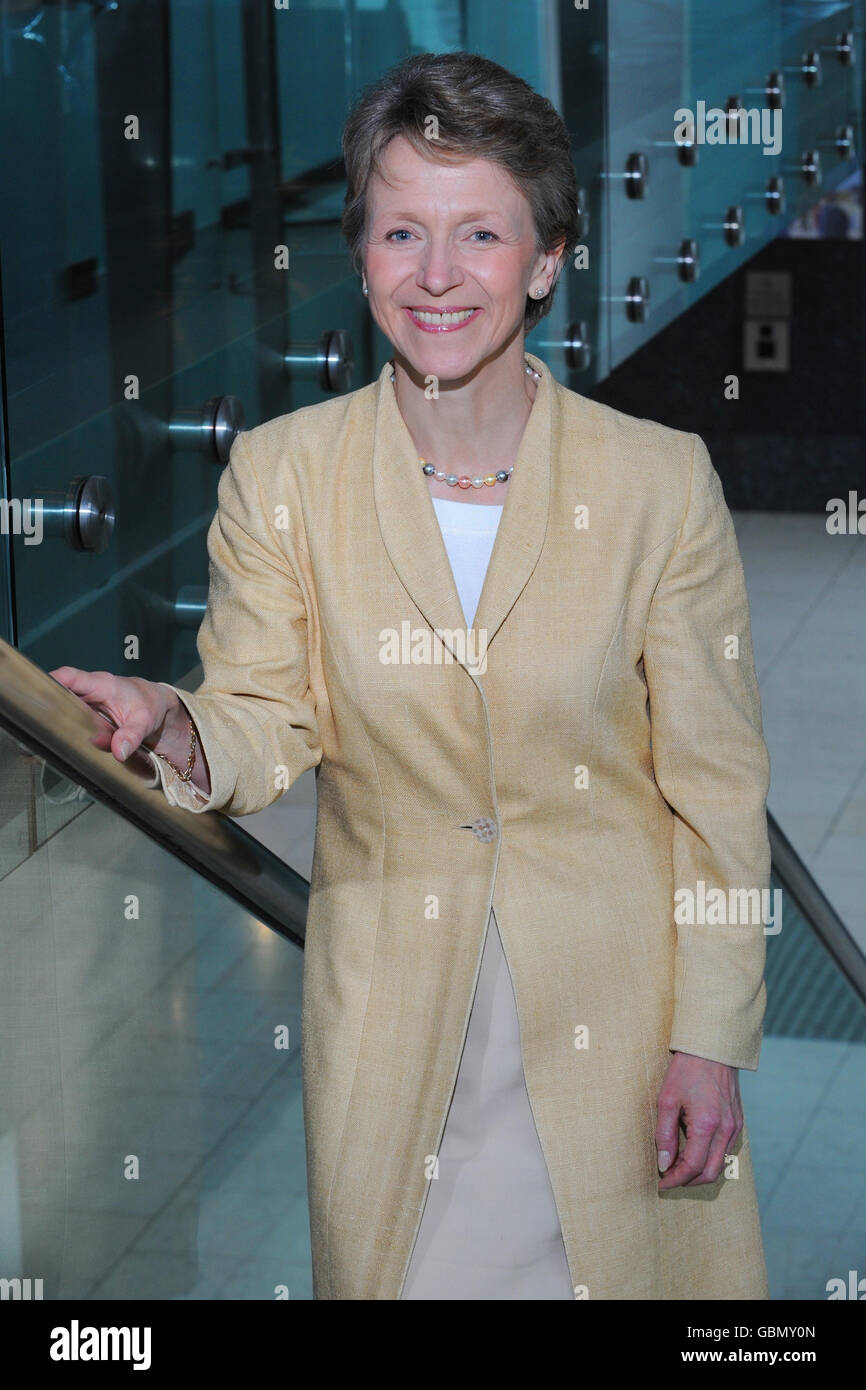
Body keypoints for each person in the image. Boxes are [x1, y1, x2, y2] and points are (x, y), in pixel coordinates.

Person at [52, 51, 771, 1301]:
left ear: (545, 259)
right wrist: (176, 723)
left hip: (617, 1040)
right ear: (362, 252)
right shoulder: (283, 477)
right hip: (401, 1035)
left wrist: (710, 1036)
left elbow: (716, 793)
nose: (436, 275)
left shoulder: (657, 483)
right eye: (400, 231)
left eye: (479, 233)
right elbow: (267, 712)